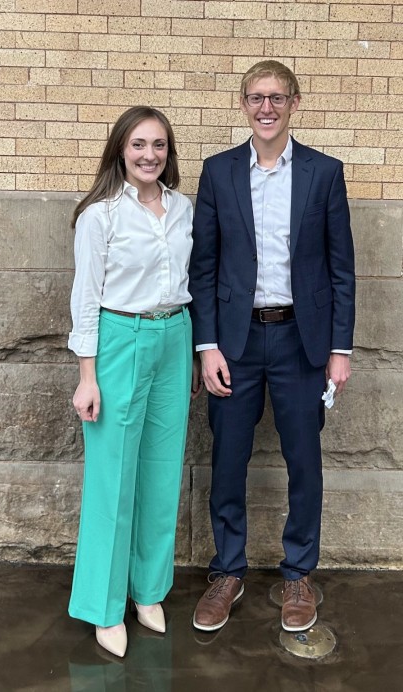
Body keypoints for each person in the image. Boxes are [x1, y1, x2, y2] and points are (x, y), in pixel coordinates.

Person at [189, 60, 355, 633]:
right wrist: (207, 345)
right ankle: (227, 571)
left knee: (304, 461)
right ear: (243, 105)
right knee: (228, 458)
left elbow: (341, 270)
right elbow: (204, 266)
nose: (266, 108)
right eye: (257, 98)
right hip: (233, 343)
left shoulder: (324, 173)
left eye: (277, 98)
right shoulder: (218, 173)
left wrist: (341, 350)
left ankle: (298, 573)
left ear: (295, 103)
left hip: (301, 343)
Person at [68, 106, 202, 658]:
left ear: (169, 153)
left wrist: (193, 354)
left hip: (174, 335)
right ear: (121, 149)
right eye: (139, 144)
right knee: (112, 476)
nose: (150, 155)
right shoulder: (100, 215)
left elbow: (192, 280)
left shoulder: (183, 209)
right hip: (120, 340)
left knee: (161, 469)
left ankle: (148, 592)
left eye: (161, 146)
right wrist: (87, 376)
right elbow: (85, 298)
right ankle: (103, 606)